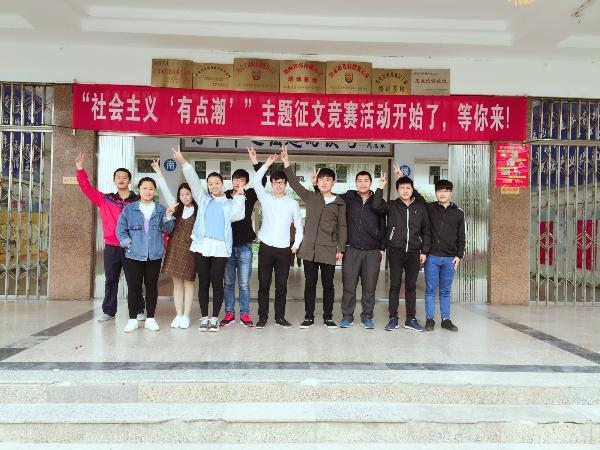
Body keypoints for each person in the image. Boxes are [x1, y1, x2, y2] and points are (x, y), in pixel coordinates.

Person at [172, 147, 246, 332]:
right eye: (210, 183)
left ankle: (214, 318)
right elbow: (193, 181)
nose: (214, 186)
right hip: (202, 245)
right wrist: (183, 162)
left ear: (222, 184)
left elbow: (238, 215)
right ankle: (204, 317)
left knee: (217, 283)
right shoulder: (203, 199)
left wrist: (240, 197)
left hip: (220, 247)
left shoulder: (229, 203)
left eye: (217, 183)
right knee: (203, 282)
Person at [75, 152, 145, 322]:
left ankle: (139, 309)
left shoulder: (138, 201)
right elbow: (86, 189)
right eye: (118, 177)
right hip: (112, 246)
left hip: (132, 246)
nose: (121, 179)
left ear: (129, 181)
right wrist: (80, 170)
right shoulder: (105, 199)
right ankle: (108, 311)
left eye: (124, 177)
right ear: (114, 180)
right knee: (111, 279)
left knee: (134, 280)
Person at [282, 146, 347, 329]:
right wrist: (286, 164)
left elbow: (342, 226)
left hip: (328, 249)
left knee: (328, 285)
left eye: (328, 180)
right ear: (316, 182)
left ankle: (328, 317)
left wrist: (341, 248)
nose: (324, 182)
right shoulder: (310, 197)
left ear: (333, 183)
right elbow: (294, 184)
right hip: (309, 249)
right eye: (321, 179)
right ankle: (309, 317)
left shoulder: (339, 203)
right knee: (310, 284)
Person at [372, 170, 430, 332]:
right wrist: (380, 187)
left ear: (412, 190)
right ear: (397, 190)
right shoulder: (391, 205)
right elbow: (375, 206)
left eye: (408, 188)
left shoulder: (420, 207)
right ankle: (393, 318)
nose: (405, 190)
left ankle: (411, 319)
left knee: (411, 286)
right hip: (395, 251)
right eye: (402, 188)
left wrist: (424, 251)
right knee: (395, 285)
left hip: (414, 252)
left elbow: (426, 230)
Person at [116, 177, 176, 333]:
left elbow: (168, 230)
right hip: (133, 255)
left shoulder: (161, 209)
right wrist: (129, 245)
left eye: (151, 189)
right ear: (139, 190)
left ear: (154, 191)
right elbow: (120, 230)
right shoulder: (129, 209)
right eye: (145, 188)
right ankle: (132, 319)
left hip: (154, 255)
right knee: (134, 287)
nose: (148, 191)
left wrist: (169, 217)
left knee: (151, 287)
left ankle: (150, 319)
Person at [252, 151, 303, 329]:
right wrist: (266, 164)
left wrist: (296, 245)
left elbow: (299, 226)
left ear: (286, 184)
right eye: (275, 182)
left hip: (284, 249)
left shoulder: (292, 203)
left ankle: (280, 317)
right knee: (263, 285)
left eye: (281, 182)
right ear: (272, 184)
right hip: (266, 247)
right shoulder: (265, 198)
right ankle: (262, 317)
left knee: (281, 286)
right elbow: (256, 182)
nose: (278, 185)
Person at [221, 149, 266, 328]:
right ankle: (229, 314)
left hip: (245, 246)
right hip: (227, 246)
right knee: (228, 283)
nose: (238, 182)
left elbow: (262, 180)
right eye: (236, 179)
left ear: (246, 182)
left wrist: (255, 162)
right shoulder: (224, 196)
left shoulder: (250, 195)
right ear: (231, 181)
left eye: (241, 180)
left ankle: (245, 314)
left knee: (244, 284)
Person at [335, 171, 386, 330]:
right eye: (359, 180)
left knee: (369, 287)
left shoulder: (378, 201)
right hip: (351, 249)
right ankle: (347, 316)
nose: (362, 183)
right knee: (349, 286)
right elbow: (328, 195)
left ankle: (367, 317)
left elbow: (383, 226)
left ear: (371, 183)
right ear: (355, 182)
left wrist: (382, 248)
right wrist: (316, 185)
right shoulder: (347, 198)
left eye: (366, 180)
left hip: (372, 250)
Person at [151, 160, 198, 330]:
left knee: (189, 283)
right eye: (182, 194)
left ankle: (186, 315)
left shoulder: (200, 210)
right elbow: (165, 189)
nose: (185, 197)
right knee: (177, 283)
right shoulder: (176, 208)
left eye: (188, 193)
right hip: (175, 249)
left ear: (193, 194)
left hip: (191, 250)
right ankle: (178, 314)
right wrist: (159, 172)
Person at [424, 179, 465, 332]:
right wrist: (402, 175)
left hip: (450, 258)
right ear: (436, 192)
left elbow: (461, 236)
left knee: (446, 291)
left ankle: (445, 319)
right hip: (432, 257)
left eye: (446, 191)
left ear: (451, 193)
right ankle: (430, 319)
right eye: (440, 191)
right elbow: (415, 196)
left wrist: (459, 255)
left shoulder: (458, 213)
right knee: (430, 289)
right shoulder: (429, 208)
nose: (443, 194)